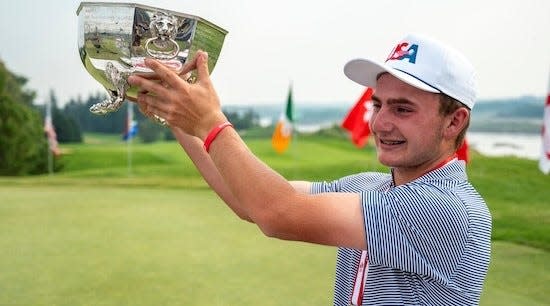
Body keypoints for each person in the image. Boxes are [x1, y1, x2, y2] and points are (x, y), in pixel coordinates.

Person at [127, 33, 492, 305]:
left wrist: (210, 122)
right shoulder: (373, 187)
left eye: (402, 109)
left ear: (454, 121)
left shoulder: (449, 209)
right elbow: (250, 203)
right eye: (378, 105)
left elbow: (277, 212)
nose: (380, 123)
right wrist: (177, 115)